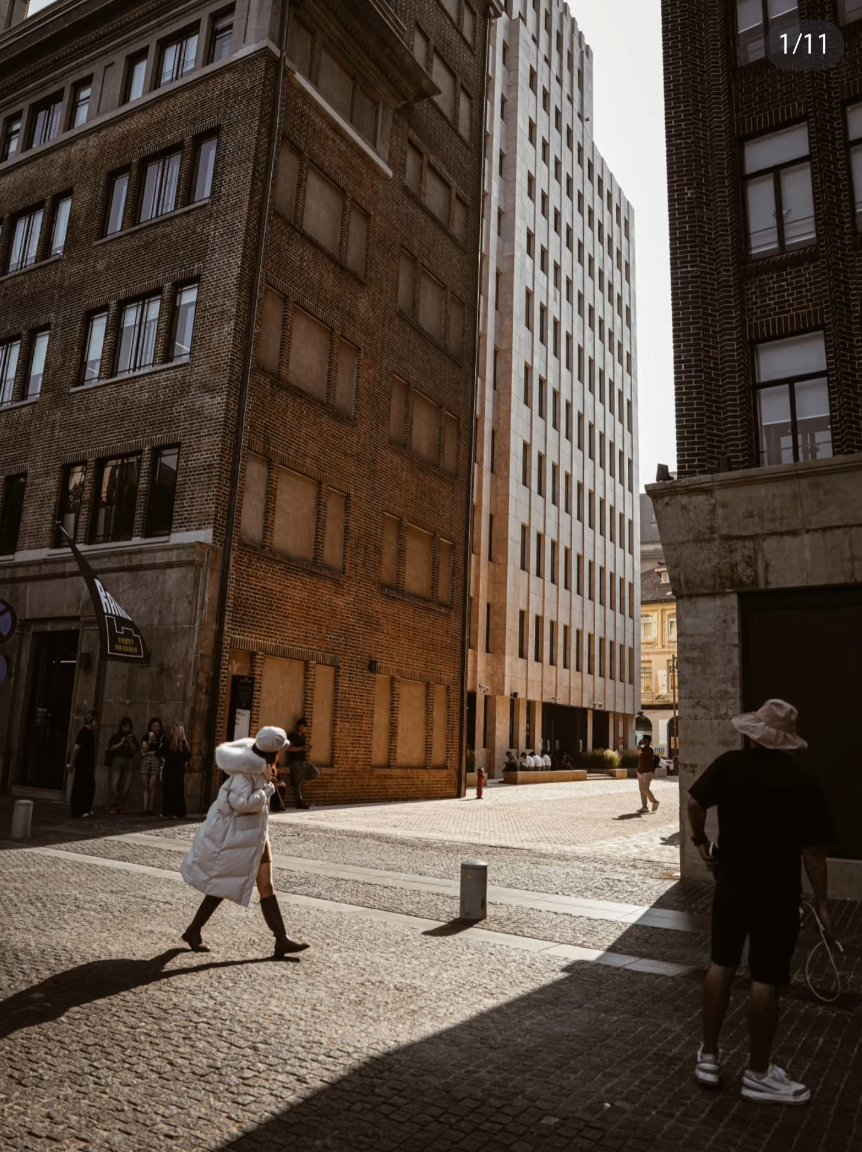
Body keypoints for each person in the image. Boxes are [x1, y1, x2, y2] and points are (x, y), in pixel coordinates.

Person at [688, 699, 834, 1105]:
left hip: (731, 884)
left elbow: (695, 802)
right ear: (787, 741)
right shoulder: (803, 783)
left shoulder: (730, 765)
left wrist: (702, 843)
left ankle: (709, 1057)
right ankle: (758, 1073)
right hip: (777, 893)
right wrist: (822, 903)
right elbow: (813, 854)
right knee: (765, 979)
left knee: (721, 964)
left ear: (755, 734)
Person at [180, 726, 308, 957]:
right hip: (239, 836)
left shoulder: (262, 766)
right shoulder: (246, 772)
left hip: (256, 835)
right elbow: (241, 802)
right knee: (222, 884)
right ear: (272, 752)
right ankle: (193, 930)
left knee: (266, 885)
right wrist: (268, 791)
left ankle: (281, 939)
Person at [285, 718, 320, 809]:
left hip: (304, 762)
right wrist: (301, 748)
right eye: (301, 726)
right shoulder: (292, 736)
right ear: (297, 726)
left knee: (315, 772)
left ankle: (300, 778)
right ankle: (299, 803)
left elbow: (303, 749)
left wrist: (307, 748)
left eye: (304, 727)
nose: (303, 728)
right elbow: (288, 749)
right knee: (298, 785)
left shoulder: (303, 736)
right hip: (295, 762)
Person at [69, 711, 98, 818]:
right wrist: (72, 763)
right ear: (91, 721)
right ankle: (78, 810)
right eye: (96, 721)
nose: (97, 723)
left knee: (89, 785)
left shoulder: (90, 733)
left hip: (87, 764)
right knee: (81, 786)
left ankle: (85, 808)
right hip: (82, 764)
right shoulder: (84, 732)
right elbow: (76, 748)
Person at [107, 717, 138, 814]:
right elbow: (110, 748)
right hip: (117, 759)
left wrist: (130, 742)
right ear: (121, 727)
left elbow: (136, 750)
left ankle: (120, 805)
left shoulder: (132, 737)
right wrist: (121, 743)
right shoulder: (116, 736)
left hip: (129, 761)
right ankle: (113, 805)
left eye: (128, 727)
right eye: (125, 727)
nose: (126, 729)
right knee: (114, 784)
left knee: (126, 784)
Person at [162, 723, 191, 819]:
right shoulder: (183, 744)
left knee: (170, 791)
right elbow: (187, 758)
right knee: (177, 792)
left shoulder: (172, 743)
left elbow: (162, 754)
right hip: (177, 771)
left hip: (171, 770)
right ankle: (178, 812)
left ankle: (169, 812)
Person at [140, 717, 166, 816]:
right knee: (145, 786)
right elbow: (143, 750)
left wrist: (149, 753)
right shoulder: (146, 736)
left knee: (152, 786)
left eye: (158, 726)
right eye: (154, 726)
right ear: (151, 727)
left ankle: (151, 809)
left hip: (156, 762)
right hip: (146, 762)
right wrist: (150, 741)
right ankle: (145, 808)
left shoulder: (162, 738)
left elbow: (159, 752)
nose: (156, 728)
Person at [636, 735, 659, 813]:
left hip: (647, 772)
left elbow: (639, 750)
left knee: (645, 789)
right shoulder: (643, 748)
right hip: (640, 772)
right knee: (642, 790)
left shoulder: (650, 749)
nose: (643, 741)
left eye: (644, 740)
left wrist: (639, 743)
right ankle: (644, 807)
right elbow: (638, 751)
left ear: (648, 741)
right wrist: (640, 743)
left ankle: (655, 802)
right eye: (643, 740)